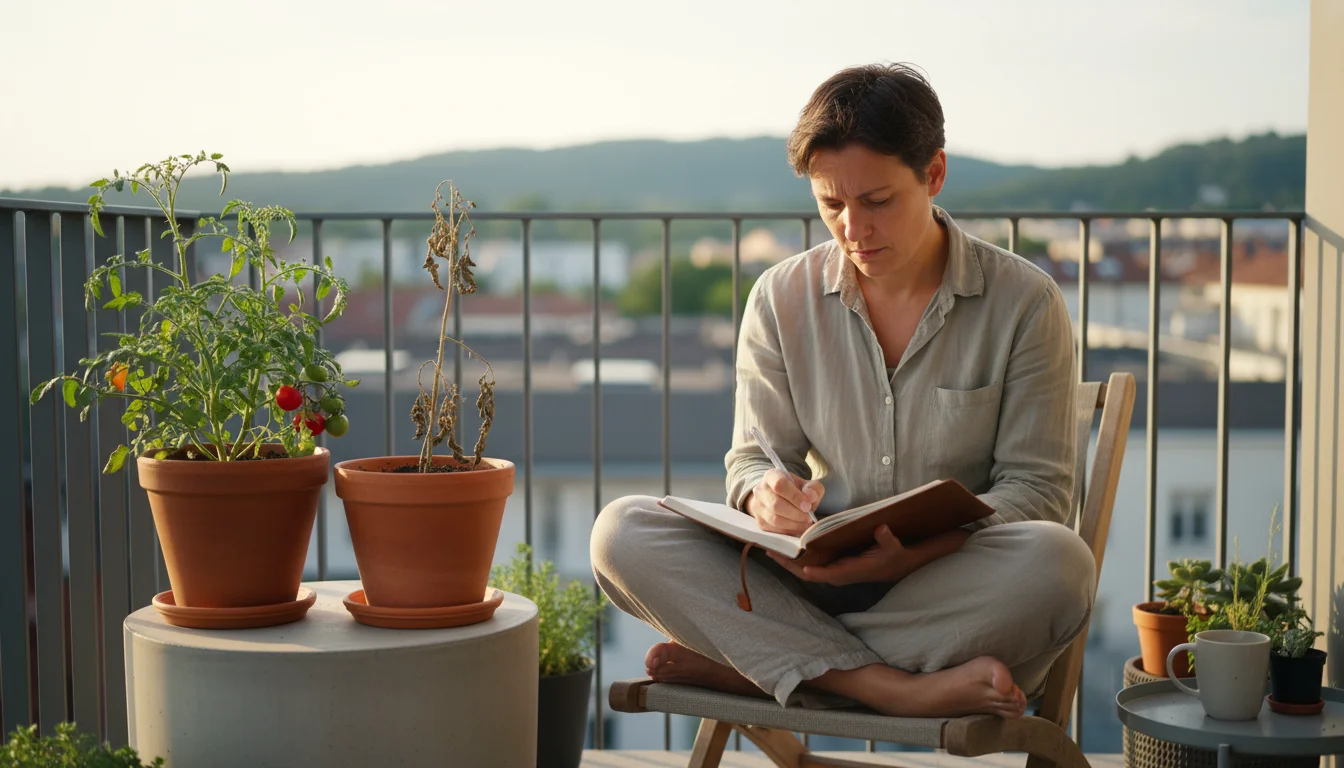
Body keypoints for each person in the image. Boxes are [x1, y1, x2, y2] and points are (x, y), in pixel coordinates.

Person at [590, 63, 1095, 720]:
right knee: (621, 531)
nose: (853, 228)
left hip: (948, 586)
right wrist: (764, 494)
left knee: (1060, 566)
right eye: (831, 204)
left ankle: (765, 667)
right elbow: (751, 461)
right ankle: (885, 686)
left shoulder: (1025, 302)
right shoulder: (779, 298)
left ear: (934, 174)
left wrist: (919, 549)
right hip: (809, 584)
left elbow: (1040, 495)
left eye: (877, 201)